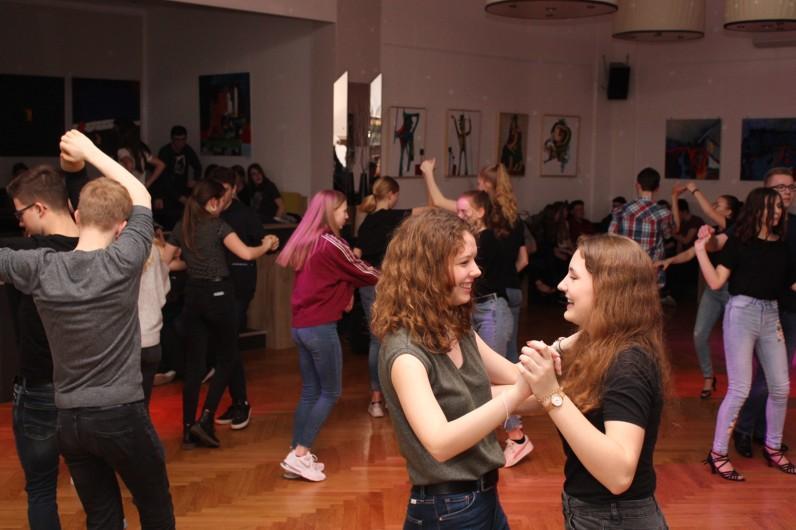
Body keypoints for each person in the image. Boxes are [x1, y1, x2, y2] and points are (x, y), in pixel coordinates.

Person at [0, 129, 175, 529]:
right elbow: (141, 195)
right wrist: (90, 151)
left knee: (102, 515)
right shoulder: (124, 260)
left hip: (70, 423)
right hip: (121, 416)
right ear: (121, 228)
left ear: (78, 217)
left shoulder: (41, 267)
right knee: (155, 508)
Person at [373, 208, 546, 529]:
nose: (477, 271)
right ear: (428, 270)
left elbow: (520, 382)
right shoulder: (406, 353)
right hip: (447, 510)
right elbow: (440, 442)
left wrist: (553, 370)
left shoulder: (458, 328)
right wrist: (517, 395)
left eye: (474, 260)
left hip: (482, 499)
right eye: (464, 262)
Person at [519, 233, 670, 529]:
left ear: (607, 288)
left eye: (573, 277)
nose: (562, 285)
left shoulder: (628, 362)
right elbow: (525, 392)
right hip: (600, 513)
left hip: (615, 518)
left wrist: (552, 394)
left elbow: (619, 475)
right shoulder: (600, 345)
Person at [421, 159, 533, 468]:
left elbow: (442, 203)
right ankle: (514, 436)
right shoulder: (510, 219)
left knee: (489, 374)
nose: (474, 269)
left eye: (482, 183)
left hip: (493, 304)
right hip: (503, 298)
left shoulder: (485, 235)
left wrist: (429, 173)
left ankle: (514, 437)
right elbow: (523, 260)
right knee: (508, 368)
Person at [162, 179, 278, 448]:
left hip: (194, 296)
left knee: (194, 366)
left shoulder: (183, 226)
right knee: (227, 356)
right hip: (219, 295)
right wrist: (267, 244)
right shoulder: (217, 226)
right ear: (213, 202)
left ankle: (187, 430)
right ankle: (206, 418)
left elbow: (166, 263)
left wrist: (191, 263)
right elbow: (247, 254)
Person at [276, 190, 379, 481]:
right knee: (330, 392)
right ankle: (300, 455)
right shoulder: (332, 242)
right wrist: (392, 277)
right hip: (320, 328)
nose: (347, 216)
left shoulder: (308, 241)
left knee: (311, 390)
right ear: (330, 212)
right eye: (344, 210)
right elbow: (362, 271)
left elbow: (336, 276)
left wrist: (348, 289)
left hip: (301, 327)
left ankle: (295, 453)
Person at [695, 187, 795, 480]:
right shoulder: (739, 242)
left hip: (771, 315)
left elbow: (790, 284)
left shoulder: (782, 247)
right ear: (757, 209)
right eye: (771, 206)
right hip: (742, 313)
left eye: (780, 207)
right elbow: (716, 282)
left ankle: (773, 447)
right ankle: (717, 454)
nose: (777, 212)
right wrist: (700, 251)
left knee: (781, 388)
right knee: (740, 389)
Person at [3, 165, 81, 530]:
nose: (19, 222)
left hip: (40, 389)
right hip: (88, 389)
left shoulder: (28, 257)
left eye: (20, 213)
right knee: (97, 485)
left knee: (40, 489)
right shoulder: (99, 249)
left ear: (39, 208)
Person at [734, 168, 796, 458]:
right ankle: (744, 429)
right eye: (780, 187)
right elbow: (724, 244)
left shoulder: (792, 225)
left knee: (778, 380)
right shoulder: (751, 225)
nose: (787, 192)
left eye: (791, 187)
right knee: (761, 380)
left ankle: (763, 432)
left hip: (789, 311)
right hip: (761, 310)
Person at [656, 191, 741, 398]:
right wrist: (670, 260)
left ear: (729, 213)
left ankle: (738, 385)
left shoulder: (737, 231)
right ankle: (708, 378)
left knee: (735, 340)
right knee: (699, 335)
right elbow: (691, 252)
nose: (714, 206)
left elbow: (710, 221)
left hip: (733, 293)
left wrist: (693, 189)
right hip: (713, 292)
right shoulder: (712, 231)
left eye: (718, 204)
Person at [354, 176, 426, 418]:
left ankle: (376, 399)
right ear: (392, 195)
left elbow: (356, 255)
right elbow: (429, 210)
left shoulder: (365, 223)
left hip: (368, 284)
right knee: (398, 337)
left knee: (377, 340)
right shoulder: (395, 217)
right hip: (390, 283)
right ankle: (397, 395)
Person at [210, 167, 269, 430]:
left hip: (239, 286)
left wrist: (269, 243)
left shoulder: (245, 214)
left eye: (226, 188)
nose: (221, 193)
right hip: (215, 286)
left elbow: (261, 243)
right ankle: (237, 401)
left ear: (234, 189)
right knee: (224, 345)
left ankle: (241, 402)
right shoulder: (208, 212)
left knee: (229, 343)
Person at [609, 168, 674, 288]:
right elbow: (668, 235)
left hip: (624, 270)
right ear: (657, 188)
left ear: (637, 185)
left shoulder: (619, 211)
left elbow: (611, 239)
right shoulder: (664, 213)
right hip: (651, 272)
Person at [156, 125, 202, 228]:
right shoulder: (165, 152)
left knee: (183, 220)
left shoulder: (187, 150)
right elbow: (162, 178)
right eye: (177, 140)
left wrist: (195, 180)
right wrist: (159, 196)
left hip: (182, 189)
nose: (180, 143)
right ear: (172, 139)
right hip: (167, 193)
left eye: (183, 139)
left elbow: (197, 166)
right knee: (169, 222)